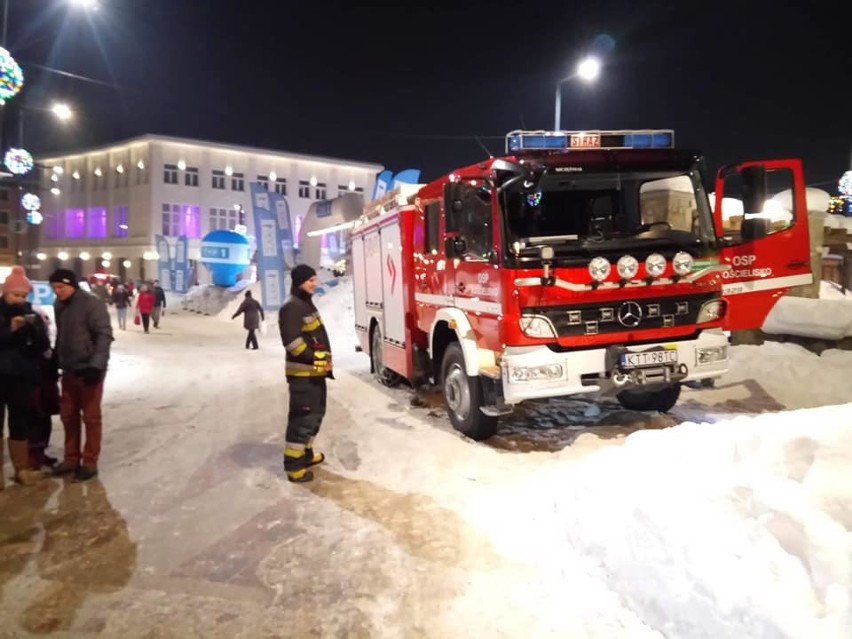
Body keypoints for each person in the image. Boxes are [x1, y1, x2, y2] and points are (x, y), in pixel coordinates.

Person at [48, 268, 114, 482]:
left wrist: (96, 366)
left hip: (89, 369)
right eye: (54, 288)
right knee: (68, 416)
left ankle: (89, 462)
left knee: (91, 418)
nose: (58, 292)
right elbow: (62, 336)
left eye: (61, 287)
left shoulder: (91, 304)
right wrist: (55, 360)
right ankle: (71, 459)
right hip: (69, 370)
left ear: (72, 285)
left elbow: (104, 336)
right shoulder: (59, 305)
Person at [278, 264, 333, 483]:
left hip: (315, 373)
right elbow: (294, 345)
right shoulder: (291, 307)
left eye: (315, 279)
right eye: (310, 280)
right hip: (303, 375)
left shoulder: (305, 305)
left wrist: (323, 364)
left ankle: (306, 455)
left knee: (315, 415)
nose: (314, 283)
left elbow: (315, 338)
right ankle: (294, 467)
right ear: (299, 282)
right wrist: (320, 360)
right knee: (302, 419)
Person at [0, 266, 51, 488]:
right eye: (15, 294)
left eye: (23, 295)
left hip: (22, 376)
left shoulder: (32, 313)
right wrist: (10, 329)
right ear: (5, 292)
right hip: (0, 374)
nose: (19, 299)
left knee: (19, 421)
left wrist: (36, 330)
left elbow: (42, 347)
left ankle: (22, 469)